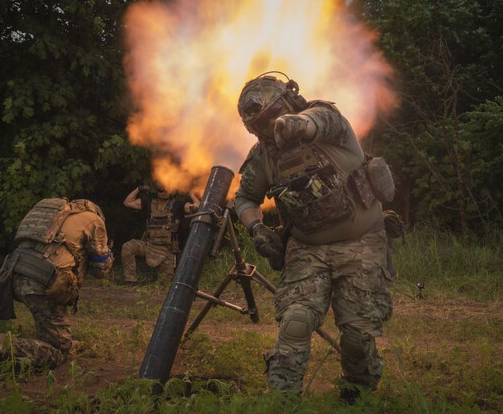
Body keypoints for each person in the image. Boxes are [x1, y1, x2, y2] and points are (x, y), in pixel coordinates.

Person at [234, 72, 393, 402]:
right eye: (262, 124)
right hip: (308, 248)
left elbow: (318, 120)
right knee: (295, 321)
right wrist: (257, 229)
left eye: (275, 113)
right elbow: (245, 197)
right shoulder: (264, 156)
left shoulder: (326, 121)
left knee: (358, 333)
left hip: (362, 240)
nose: (271, 126)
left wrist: (295, 124)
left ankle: (357, 393)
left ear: (290, 100)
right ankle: (282, 399)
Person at [0, 197, 113, 371]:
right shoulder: (95, 221)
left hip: (12, 275)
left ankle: (53, 337)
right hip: (43, 282)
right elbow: (101, 271)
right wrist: (106, 256)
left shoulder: (53, 212)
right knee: (58, 352)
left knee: (49, 324)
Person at [121, 185, 199, 285]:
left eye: (167, 189)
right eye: (161, 190)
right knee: (128, 247)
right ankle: (130, 280)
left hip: (168, 250)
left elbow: (199, 208)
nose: (164, 192)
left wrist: (190, 193)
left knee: (164, 283)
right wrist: (138, 189)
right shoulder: (148, 203)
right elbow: (127, 202)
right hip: (148, 246)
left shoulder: (178, 205)